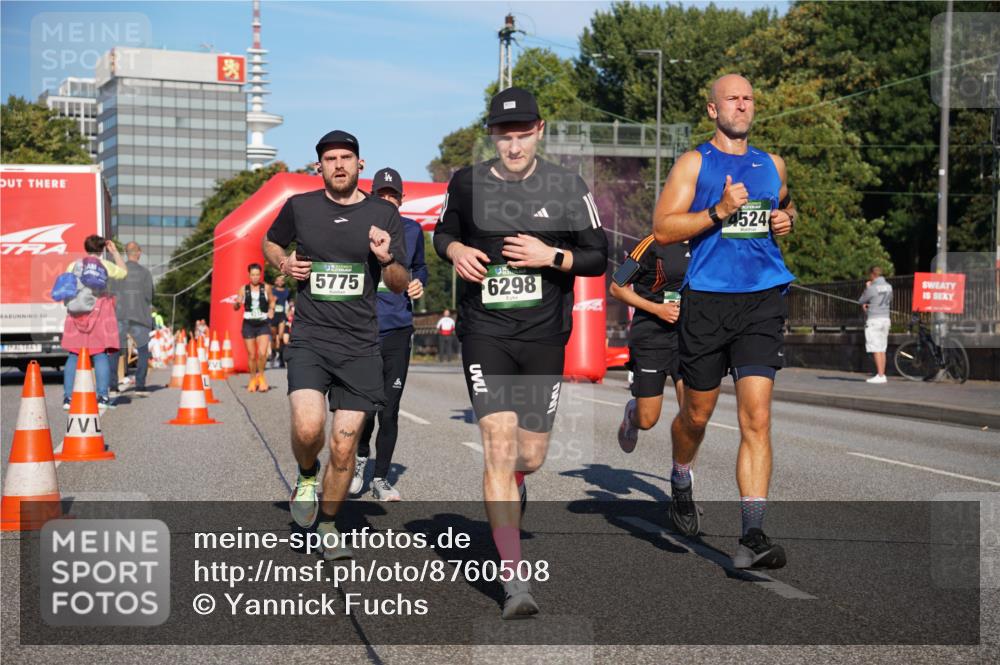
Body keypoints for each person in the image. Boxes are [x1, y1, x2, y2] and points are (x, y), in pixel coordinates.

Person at [434, 87, 608, 618]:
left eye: (521, 135)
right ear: (494, 137)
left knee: (530, 455)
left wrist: (550, 255)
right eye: (504, 137)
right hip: (485, 331)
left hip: (542, 334)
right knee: (499, 446)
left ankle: (517, 487)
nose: (512, 146)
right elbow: (443, 233)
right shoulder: (468, 183)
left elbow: (599, 255)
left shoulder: (565, 185)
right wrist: (458, 249)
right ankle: (513, 582)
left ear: (538, 131)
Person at [652, 74, 797, 570]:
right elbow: (663, 229)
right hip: (708, 301)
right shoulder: (695, 163)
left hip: (762, 299)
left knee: (756, 417)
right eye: (732, 98)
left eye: (749, 98)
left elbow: (784, 204)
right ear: (713, 110)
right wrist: (717, 210)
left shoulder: (771, 164)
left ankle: (752, 534)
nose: (742, 105)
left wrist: (785, 219)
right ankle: (680, 471)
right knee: (696, 415)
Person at [263, 130, 408, 560]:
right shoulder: (300, 208)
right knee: (309, 429)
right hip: (310, 337)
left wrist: (385, 260)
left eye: (346, 157)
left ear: (359, 164)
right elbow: (270, 242)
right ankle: (307, 474)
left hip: (361, 346)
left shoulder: (383, 214)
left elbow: (398, 284)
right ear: (319, 166)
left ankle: (328, 524)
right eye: (330, 158)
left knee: (345, 447)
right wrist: (284, 262)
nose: (339, 164)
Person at [352, 167, 429, 501]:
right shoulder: (358, 229)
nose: (386, 201)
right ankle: (358, 458)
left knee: (389, 409)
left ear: (401, 199)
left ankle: (380, 479)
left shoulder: (412, 231)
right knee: (364, 408)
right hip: (363, 328)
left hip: (398, 329)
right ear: (372, 197)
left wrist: (419, 282)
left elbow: (421, 267)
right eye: (380, 196)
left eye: (392, 196)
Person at [610, 237, 690, 452]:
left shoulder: (707, 241)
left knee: (693, 415)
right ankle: (632, 415)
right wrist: (657, 309)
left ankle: (682, 472)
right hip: (652, 337)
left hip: (690, 338)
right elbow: (617, 287)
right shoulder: (653, 243)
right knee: (647, 419)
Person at [61, 235, 128, 413]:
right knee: (100, 354)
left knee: (74, 354)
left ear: (86, 248)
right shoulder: (105, 265)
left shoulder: (74, 265)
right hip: (99, 314)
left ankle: (68, 397)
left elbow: (67, 286)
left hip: (76, 314)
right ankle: (102, 397)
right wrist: (114, 252)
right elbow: (124, 272)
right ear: (102, 249)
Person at [109, 242, 155, 397]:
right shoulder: (145, 273)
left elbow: (111, 294)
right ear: (139, 253)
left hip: (120, 315)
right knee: (142, 351)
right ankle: (140, 386)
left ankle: (113, 386)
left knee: (115, 351)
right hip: (140, 316)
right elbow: (150, 296)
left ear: (125, 253)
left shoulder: (117, 272)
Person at [233, 263, 274, 392]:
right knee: (251, 355)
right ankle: (252, 378)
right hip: (249, 324)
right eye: (253, 275)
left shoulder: (266, 288)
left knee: (262, 354)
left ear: (260, 275)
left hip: (262, 323)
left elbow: (272, 300)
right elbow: (236, 306)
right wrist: (237, 304)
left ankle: (261, 377)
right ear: (249, 275)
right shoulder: (243, 289)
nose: (255, 277)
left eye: (257, 274)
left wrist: (271, 309)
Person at [858, 265, 893, 384]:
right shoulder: (889, 286)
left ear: (872, 275)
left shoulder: (872, 287)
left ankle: (880, 375)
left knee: (876, 348)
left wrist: (867, 287)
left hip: (874, 320)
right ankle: (882, 373)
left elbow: (862, 300)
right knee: (882, 348)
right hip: (885, 318)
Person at [270, 274, 291, 368]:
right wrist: (272, 301)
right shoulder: (272, 291)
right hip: (274, 315)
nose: (280, 282)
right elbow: (267, 301)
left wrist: (290, 309)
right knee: (274, 337)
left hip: (282, 315)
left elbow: (290, 301)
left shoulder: (287, 291)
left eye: (282, 280)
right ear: (275, 282)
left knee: (281, 337)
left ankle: (281, 357)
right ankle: (273, 353)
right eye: (278, 280)